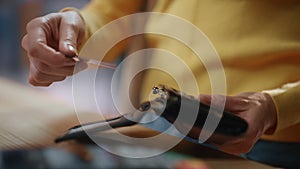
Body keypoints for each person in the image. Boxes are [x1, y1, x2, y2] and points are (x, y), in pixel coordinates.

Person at [21, 0, 300, 168]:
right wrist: (73, 30)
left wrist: (278, 107)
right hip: (154, 126)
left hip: (266, 145)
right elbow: (113, 11)